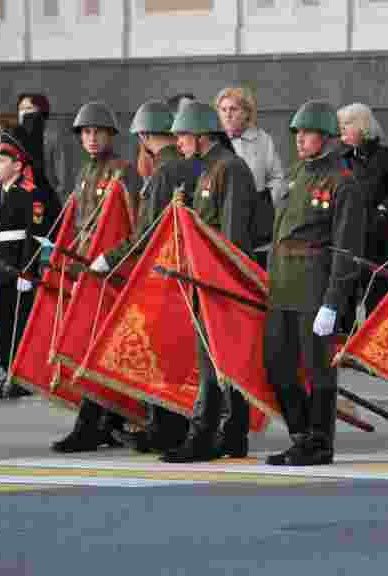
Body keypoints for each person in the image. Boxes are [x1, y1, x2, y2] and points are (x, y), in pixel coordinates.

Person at [89, 99, 197, 453]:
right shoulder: (189, 167)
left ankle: (163, 428)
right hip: (184, 270)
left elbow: (148, 232)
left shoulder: (163, 173)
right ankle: (170, 425)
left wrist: (110, 256)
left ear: (146, 136)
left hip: (162, 272)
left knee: (160, 352)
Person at [264, 100, 366, 467]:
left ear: (325, 137)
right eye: (297, 133)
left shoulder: (343, 182)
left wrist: (334, 300)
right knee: (276, 364)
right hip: (283, 285)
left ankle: (319, 441)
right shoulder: (296, 175)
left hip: (315, 285)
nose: (300, 139)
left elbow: (347, 248)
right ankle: (300, 434)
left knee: (319, 368)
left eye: (307, 133)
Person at [159, 100, 259, 463]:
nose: (179, 142)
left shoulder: (229, 169)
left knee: (216, 361)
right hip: (205, 278)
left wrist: (223, 282)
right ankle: (229, 435)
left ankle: (205, 435)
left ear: (202, 136)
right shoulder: (208, 170)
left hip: (220, 281)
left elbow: (230, 237)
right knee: (215, 361)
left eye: (183, 135)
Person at [51, 100, 141, 453]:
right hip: (88, 270)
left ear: (110, 134)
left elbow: (135, 225)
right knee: (91, 347)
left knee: (100, 349)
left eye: (97, 132)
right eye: (85, 132)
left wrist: (117, 263)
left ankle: (93, 425)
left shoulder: (125, 172)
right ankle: (104, 422)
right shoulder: (84, 173)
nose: (91, 138)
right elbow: (78, 225)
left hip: (113, 273)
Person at [0, 129, 59, 399]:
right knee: (0, 324)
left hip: (18, 269)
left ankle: (21, 376)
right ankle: (6, 369)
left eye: (2, 161)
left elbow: (34, 235)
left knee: (19, 324)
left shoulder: (29, 194)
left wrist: (27, 271)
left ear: (17, 165)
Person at [337, 102, 388, 314]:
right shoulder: (344, 159)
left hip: (377, 237)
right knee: (346, 293)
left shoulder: (386, 157)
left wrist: (383, 210)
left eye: (348, 124)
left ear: (362, 125)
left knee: (377, 295)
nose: (342, 130)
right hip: (350, 236)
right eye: (341, 125)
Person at [214, 85, 285, 265]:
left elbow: (278, 178)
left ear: (246, 113)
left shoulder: (262, 140)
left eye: (233, 109)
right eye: (223, 110)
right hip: (220, 218)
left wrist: (266, 202)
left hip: (255, 221)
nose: (227, 114)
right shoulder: (213, 141)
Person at [17, 93, 66, 201]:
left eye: (29, 108)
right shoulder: (15, 137)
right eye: (21, 109)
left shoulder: (51, 137)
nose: (24, 112)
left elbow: (61, 175)